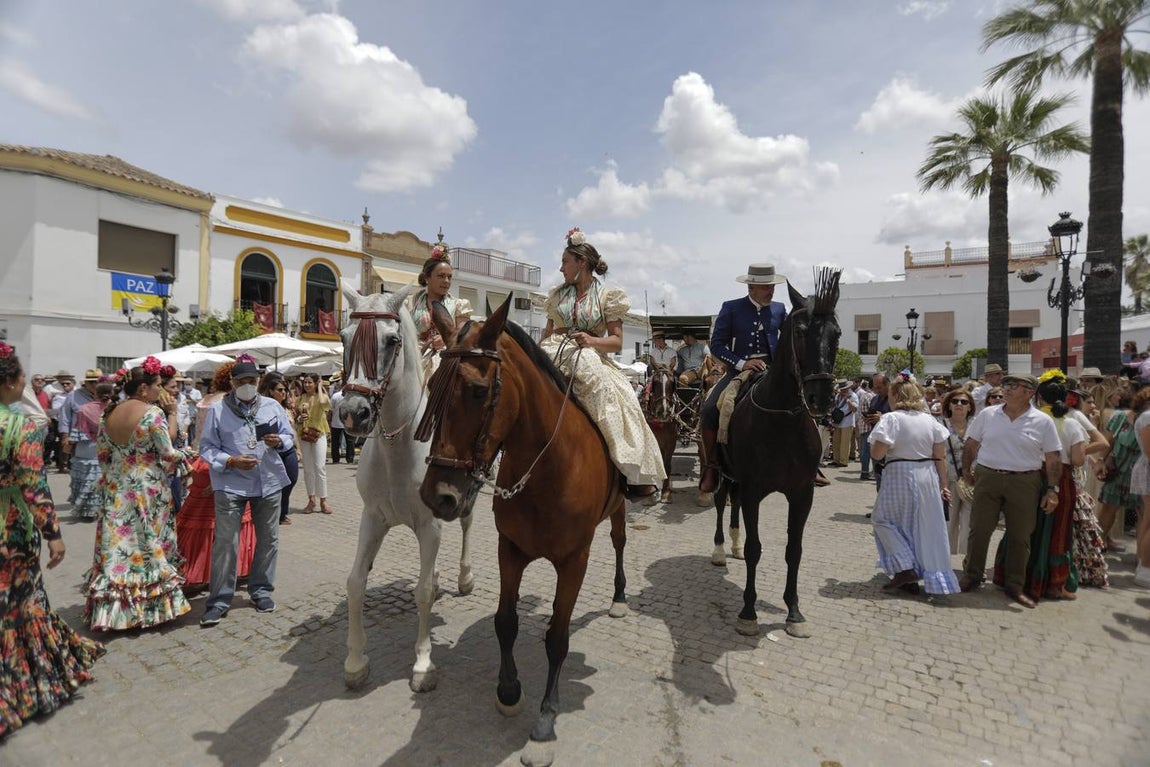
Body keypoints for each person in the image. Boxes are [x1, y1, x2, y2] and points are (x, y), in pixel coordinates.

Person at [0, 343, 104, 737]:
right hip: (11, 528)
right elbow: (33, 484)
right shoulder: (20, 426)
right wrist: (54, 534)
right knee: (21, 603)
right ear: (10, 382)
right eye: (22, 374)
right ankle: (25, 683)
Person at [538, 227, 665, 499]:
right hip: (554, 349)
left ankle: (627, 466)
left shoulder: (608, 296)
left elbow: (617, 341)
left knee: (617, 396)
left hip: (589, 353)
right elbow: (547, 333)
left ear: (581, 263)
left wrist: (592, 341)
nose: (561, 269)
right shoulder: (556, 295)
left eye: (565, 262)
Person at [82, 359, 194, 631]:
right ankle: (150, 609)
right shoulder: (152, 413)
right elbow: (168, 454)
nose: (161, 391)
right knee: (149, 545)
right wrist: (188, 454)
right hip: (148, 488)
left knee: (120, 549)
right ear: (143, 388)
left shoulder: (108, 413)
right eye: (157, 385)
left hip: (115, 488)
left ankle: (114, 611)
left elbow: (103, 456)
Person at [198, 356, 295, 626]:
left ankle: (261, 590)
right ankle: (219, 600)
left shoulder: (272, 406)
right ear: (232, 383)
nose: (247, 386)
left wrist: (280, 441)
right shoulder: (218, 410)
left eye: (252, 381)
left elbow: (290, 436)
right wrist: (230, 460)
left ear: (258, 381)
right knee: (226, 543)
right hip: (231, 483)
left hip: (268, 481)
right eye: (242, 382)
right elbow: (206, 448)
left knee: (269, 539)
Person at [960, 373, 1062, 608]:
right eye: (1005, 384)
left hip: (1025, 482)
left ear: (1029, 392)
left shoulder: (1042, 421)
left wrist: (1052, 490)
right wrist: (966, 469)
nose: (1006, 388)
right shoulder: (987, 414)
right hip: (988, 477)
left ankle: (1015, 585)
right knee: (979, 529)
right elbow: (971, 443)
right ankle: (972, 575)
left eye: (1013, 385)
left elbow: (1053, 457)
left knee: (1020, 535)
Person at [993, 373, 1088, 602]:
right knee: (1057, 532)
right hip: (1061, 480)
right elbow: (1077, 459)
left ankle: (1010, 575)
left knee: (1022, 527)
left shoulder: (1031, 418)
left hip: (1032, 476)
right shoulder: (1071, 423)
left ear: (1037, 396)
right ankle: (1054, 584)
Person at [699, 262, 789, 494]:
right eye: (766, 287)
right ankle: (711, 467)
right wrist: (741, 363)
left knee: (803, 403)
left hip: (772, 372)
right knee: (709, 409)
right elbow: (717, 345)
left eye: (772, 286)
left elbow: (788, 341)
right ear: (751, 288)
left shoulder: (779, 310)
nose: (771, 291)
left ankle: (806, 462)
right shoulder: (731, 308)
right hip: (739, 372)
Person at [867, 379, 957, 595]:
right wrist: (943, 484)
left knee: (882, 519)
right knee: (921, 526)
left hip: (900, 472)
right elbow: (940, 456)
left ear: (896, 397)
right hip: (927, 475)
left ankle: (906, 569)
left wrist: (879, 440)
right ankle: (916, 575)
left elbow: (877, 454)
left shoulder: (891, 419)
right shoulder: (931, 421)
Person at [177, 362, 257, 590]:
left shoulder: (205, 400)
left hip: (201, 459)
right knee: (232, 518)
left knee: (200, 517)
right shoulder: (226, 404)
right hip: (225, 461)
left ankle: (195, 567)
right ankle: (233, 569)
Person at [408, 240, 474, 380]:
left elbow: (463, 335)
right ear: (427, 277)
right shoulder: (411, 303)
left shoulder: (459, 305)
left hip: (446, 358)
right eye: (441, 276)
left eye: (449, 277)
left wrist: (445, 339)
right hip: (413, 357)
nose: (446, 281)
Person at [67, 381, 114, 521]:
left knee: (85, 479)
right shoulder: (115, 408)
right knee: (104, 478)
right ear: (111, 393)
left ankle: (86, 511)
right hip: (107, 446)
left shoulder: (84, 409)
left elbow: (79, 431)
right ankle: (105, 509)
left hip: (87, 447)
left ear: (95, 394)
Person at [260, 372, 299, 525]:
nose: (283, 393)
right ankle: (276, 513)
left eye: (285, 390)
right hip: (269, 450)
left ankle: (282, 511)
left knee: (291, 479)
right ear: (270, 390)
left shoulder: (286, 407)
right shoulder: (262, 407)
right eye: (279, 389)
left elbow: (291, 431)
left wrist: (298, 448)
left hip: (287, 447)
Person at [939, 388, 974, 555]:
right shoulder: (940, 425)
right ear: (949, 405)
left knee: (970, 523)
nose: (959, 404)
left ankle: (969, 559)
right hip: (948, 479)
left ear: (970, 406)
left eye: (964, 402)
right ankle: (945, 558)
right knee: (949, 521)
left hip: (971, 481)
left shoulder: (976, 426)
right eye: (955, 401)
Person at [295, 373, 332, 515]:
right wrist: (300, 417)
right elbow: (296, 416)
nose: (307, 385)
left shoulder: (321, 396)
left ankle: (323, 500)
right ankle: (311, 499)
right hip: (304, 434)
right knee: (308, 469)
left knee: (320, 467)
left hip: (319, 433)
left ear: (315, 383)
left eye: (310, 382)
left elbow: (324, 404)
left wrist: (321, 386)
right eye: (305, 383)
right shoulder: (301, 398)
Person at [58, 369, 101, 473]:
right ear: (85, 383)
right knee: (80, 468)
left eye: (98, 382)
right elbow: (65, 416)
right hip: (78, 439)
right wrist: (65, 435)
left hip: (101, 439)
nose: (95, 385)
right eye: (91, 382)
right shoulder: (73, 395)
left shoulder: (106, 395)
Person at [859, 373, 890, 483]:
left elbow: (899, 419)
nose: (876, 390)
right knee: (879, 477)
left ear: (888, 385)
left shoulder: (894, 399)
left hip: (889, 444)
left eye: (879, 387)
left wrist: (882, 418)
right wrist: (869, 419)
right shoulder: (874, 399)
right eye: (875, 387)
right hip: (876, 440)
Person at [828, 380, 858, 467]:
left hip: (847, 422)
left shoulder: (853, 396)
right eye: (841, 389)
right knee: (836, 441)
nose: (842, 391)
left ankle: (843, 461)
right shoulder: (838, 395)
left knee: (845, 443)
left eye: (844, 389)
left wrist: (848, 400)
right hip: (838, 421)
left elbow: (855, 409)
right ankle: (836, 460)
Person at [328, 373, 354, 465]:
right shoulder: (350, 395)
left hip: (336, 422)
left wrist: (329, 421)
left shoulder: (335, 396)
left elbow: (330, 410)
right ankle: (350, 459)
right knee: (350, 441)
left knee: (335, 442)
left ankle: (335, 459)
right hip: (348, 421)